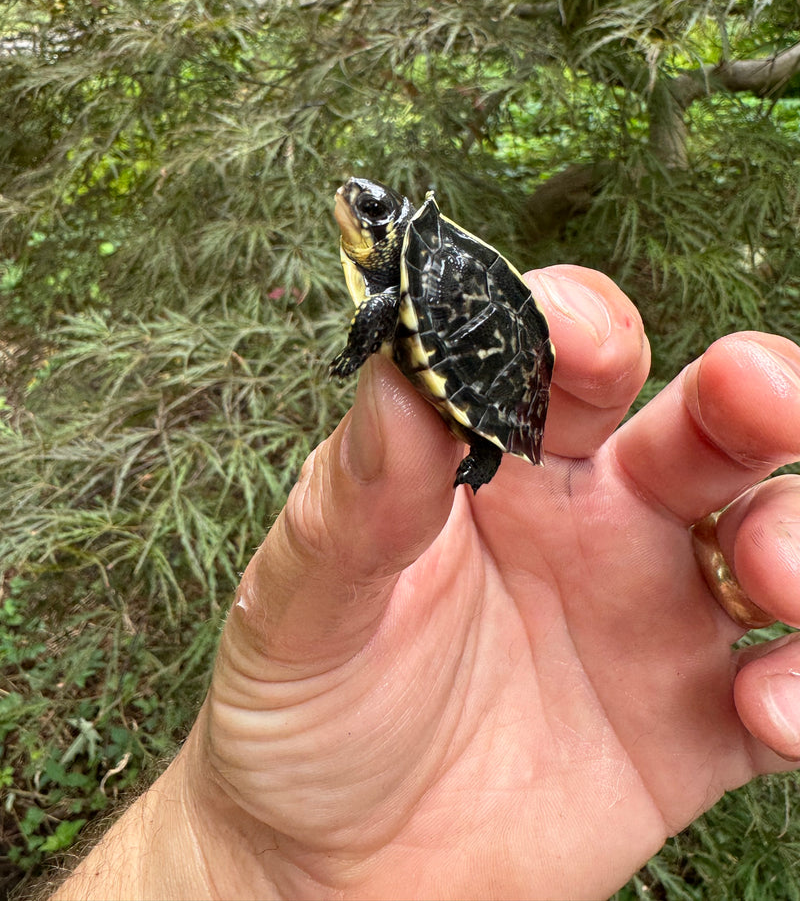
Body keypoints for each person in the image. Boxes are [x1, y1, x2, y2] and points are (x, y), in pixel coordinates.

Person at [52, 264, 800, 901]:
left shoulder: (401, 286)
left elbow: (393, 317)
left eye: (374, 210)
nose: (361, 209)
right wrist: (237, 853)